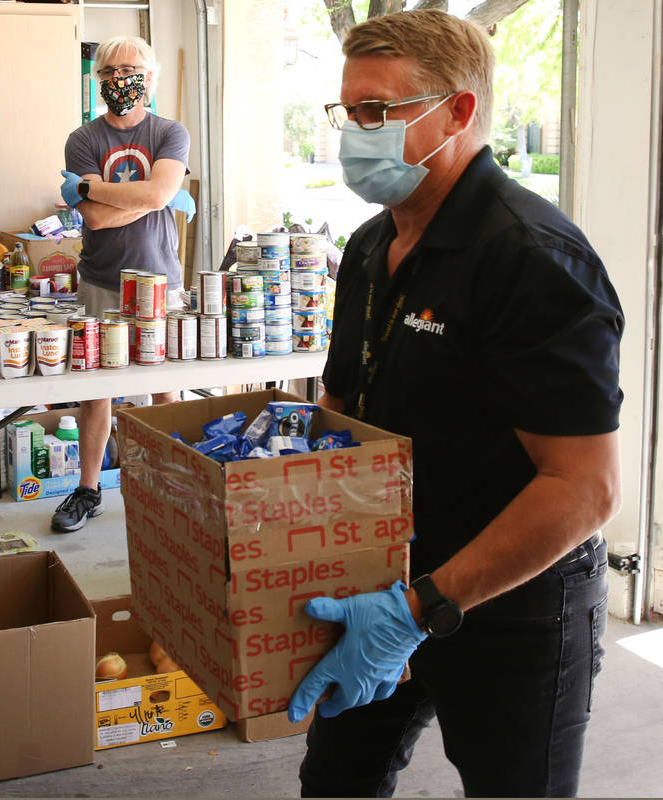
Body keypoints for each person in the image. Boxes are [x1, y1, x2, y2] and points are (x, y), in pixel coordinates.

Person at [285, 11, 623, 797]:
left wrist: (423, 606)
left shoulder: (530, 259)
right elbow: (343, 404)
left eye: (378, 111)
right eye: (349, 112)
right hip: (378, 587)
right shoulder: (372, 249)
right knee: (336, 782)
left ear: (459, 112)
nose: (354, 133)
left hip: (511, 606)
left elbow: (585, 487)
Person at [52, 35, 195, 533]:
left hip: (160, 279)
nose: (119, 79)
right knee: (97, 390)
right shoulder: (83, 139)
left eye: (130, 69)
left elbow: (156, 193)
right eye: (108, 71)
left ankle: (175, 485)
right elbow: (94, 220)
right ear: (97, 81)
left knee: (165, 388)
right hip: (100, 279)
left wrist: (93, 187)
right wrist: (149, 197)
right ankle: (88, 491)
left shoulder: (170, 132)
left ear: (151, 76)